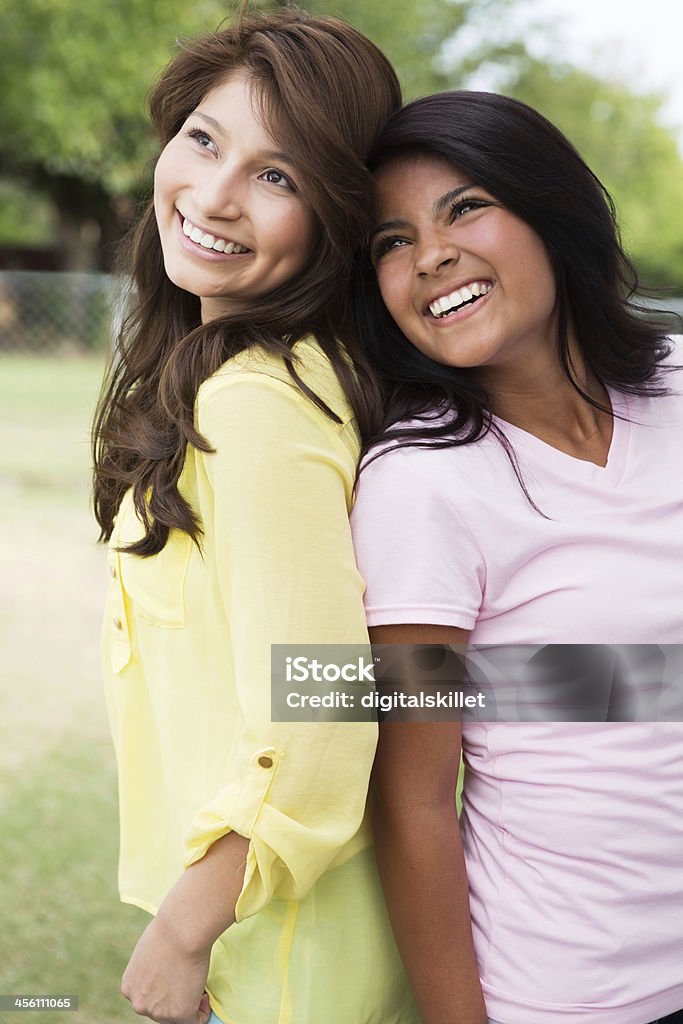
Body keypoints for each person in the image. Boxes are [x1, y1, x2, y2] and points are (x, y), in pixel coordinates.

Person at [92, 9, 419, 1024]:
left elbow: (322, 700)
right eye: (203, 137)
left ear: (334, 216)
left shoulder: (259, 403)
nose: (215, 195)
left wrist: (185, 926)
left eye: (276, 177)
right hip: (265, 925)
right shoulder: (239, 378)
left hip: (280, 949)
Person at [350, 90, 683, 1024]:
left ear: (551, 209)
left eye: (464, 207)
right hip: (582, 996)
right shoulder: (423, 483)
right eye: (389, 242)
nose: (430, 255)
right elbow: (413, 801)